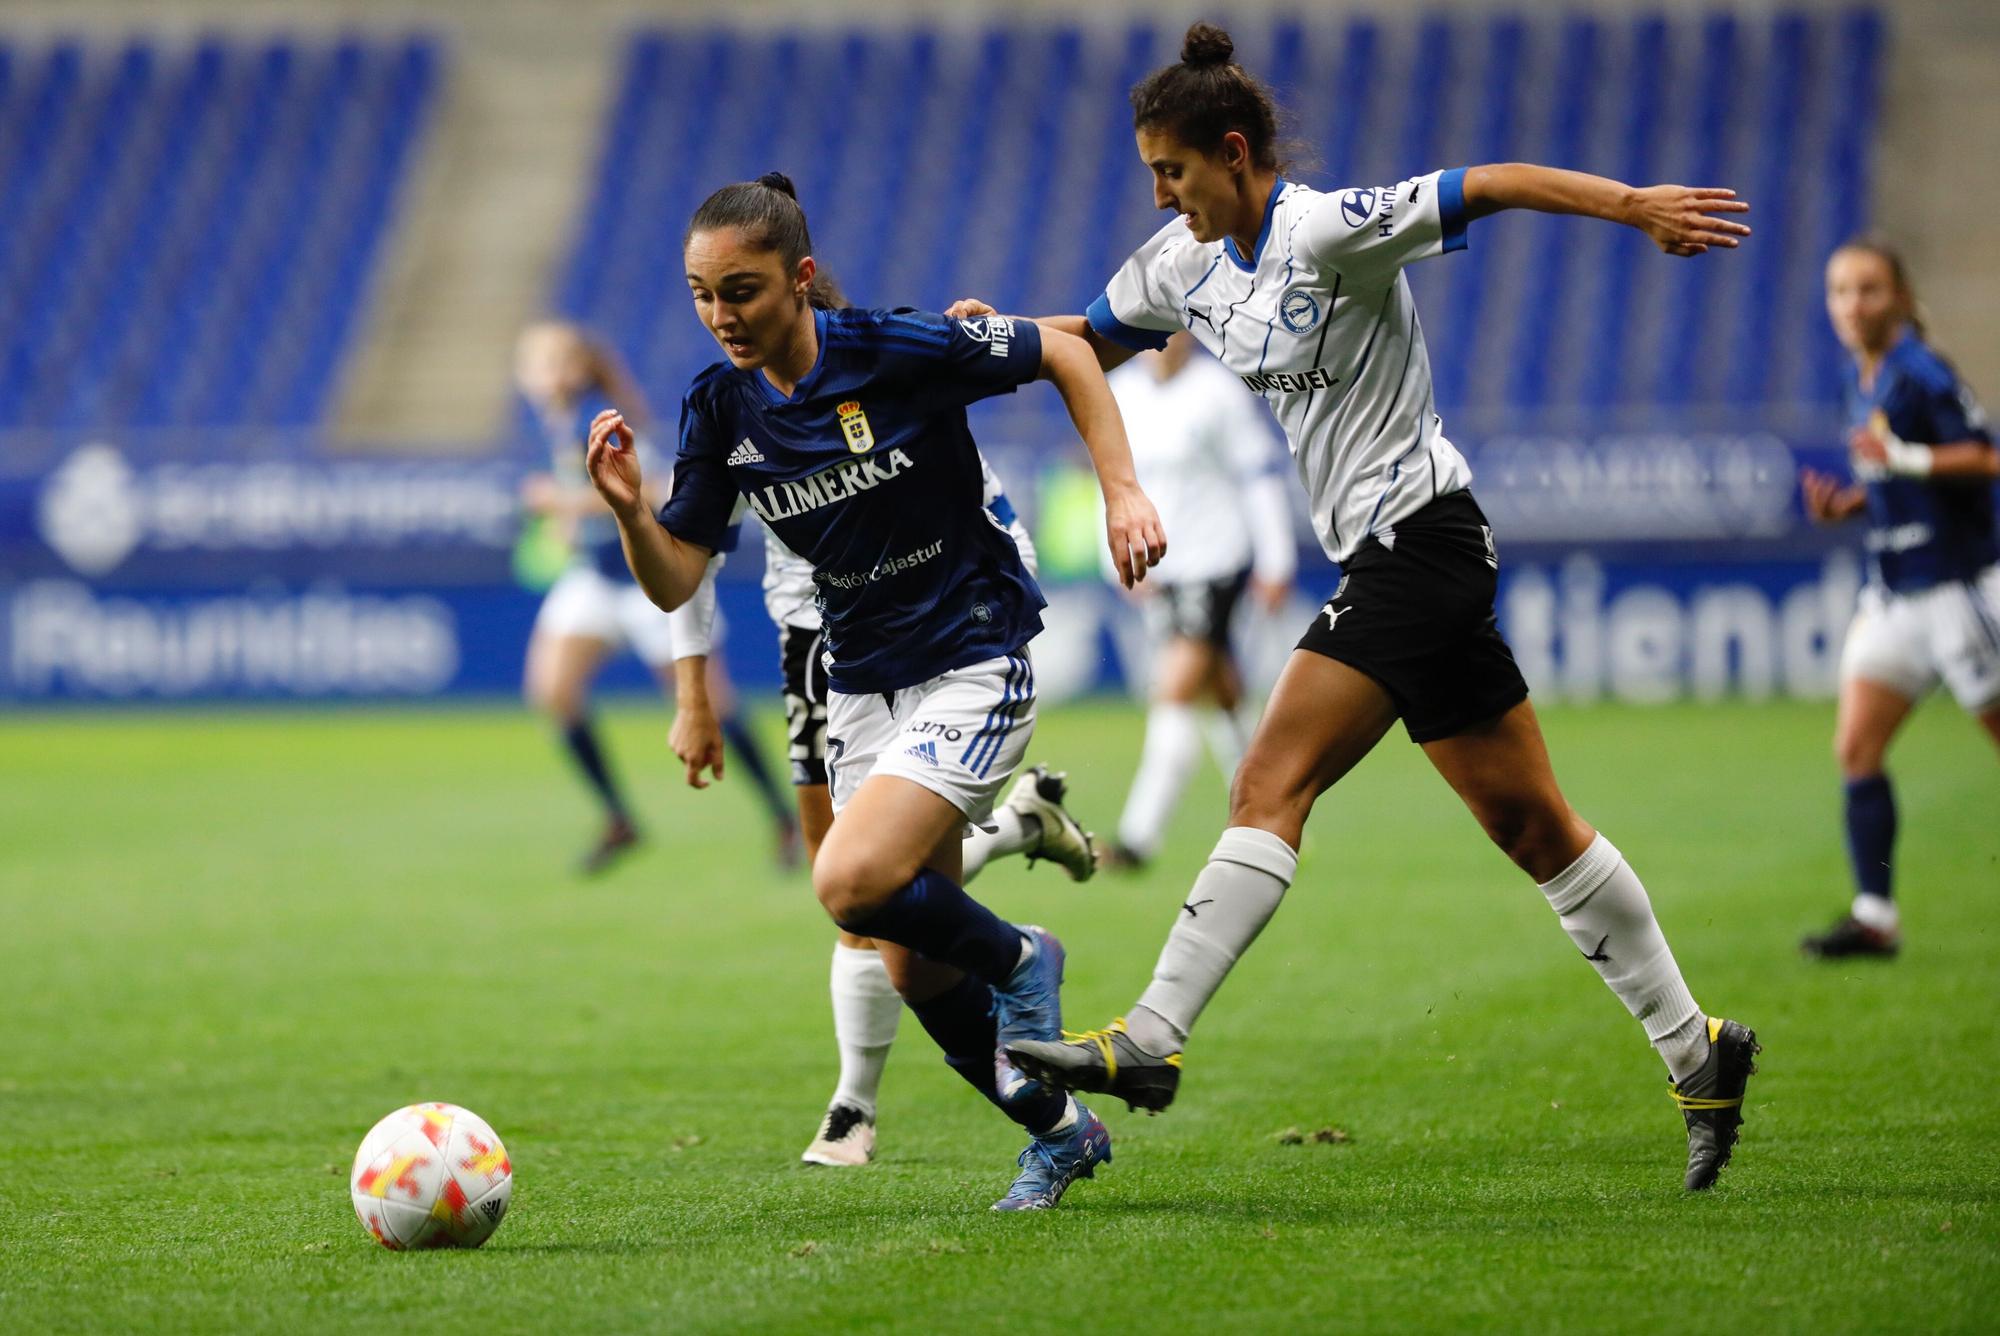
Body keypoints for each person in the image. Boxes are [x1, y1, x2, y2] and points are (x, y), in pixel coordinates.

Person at [954, 22, 1761, 1191]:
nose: (1160, 193)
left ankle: (1150, 1036)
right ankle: (1699, 1052)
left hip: (1421, 543)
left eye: (1172, 171)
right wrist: (980, 344)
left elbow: (1488, 181)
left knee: (1266, 780)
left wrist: (1633, 203)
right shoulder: (1177, 266)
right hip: (1382, 558)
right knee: (1533, 828)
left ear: (1234, 154)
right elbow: (1087, 341)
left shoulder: (1328, 231)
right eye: (1149, 175)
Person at [583, 173, 1166, 1210]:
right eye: (702, 294)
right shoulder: (718, 407)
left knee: (845, 881)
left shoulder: (892, 349)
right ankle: (1058, 1131)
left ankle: (1024, 953)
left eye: (744, 290)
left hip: (973, 656)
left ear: (801, 280)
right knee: (906, 966)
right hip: (860, 688)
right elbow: (679, 572)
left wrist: (1120, 487)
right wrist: (632, 514)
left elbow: (1069, 349)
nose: (723, 315)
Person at [669, 455, 1102, 1169]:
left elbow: (996, 490)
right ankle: (1018, 831)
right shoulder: (734, 407)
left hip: (928, 632)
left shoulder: (887, 362)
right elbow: (688, 551)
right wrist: (693, 695)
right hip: (817, 645)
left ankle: (854, 1105)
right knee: (852, 889)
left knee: (867, 887)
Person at [514, 322, 798, 874]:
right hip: (595, 579)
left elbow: (654, 489)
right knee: (552, 690)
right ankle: (619, 818)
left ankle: (784, 818)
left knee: (712, 707)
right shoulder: (557, 420)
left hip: (650, 582)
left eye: (543, 362)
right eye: (530, 364)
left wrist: (566, 505)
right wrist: (573, 521)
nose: (532, 375)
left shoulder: (597, 412)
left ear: (573, 369)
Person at [1797, 238, 2000, 959]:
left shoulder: (1918, 371)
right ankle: (1875, 916)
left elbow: (1984, 457)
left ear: (1903, 299)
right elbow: (1897, 481)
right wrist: (1852, 505)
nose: (1852, 305)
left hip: (1956, 588)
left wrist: (1905, 457)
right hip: (1894, 591)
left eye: (1869, 290)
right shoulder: (1864, 377)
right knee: (1856, 748)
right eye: (1840, 291)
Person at [1100, 332, 1295, 869]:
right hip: (1160, 568)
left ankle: (1139, 838)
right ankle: (1271, 803)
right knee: (1223, 687)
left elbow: (1257, 476)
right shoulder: (1118, 392)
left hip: (1215, 559)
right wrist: (1115, 556)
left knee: (1175, 686)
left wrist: (1275, 558)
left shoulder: (1219, 392)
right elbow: (1110, 484)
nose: (1166, 341)